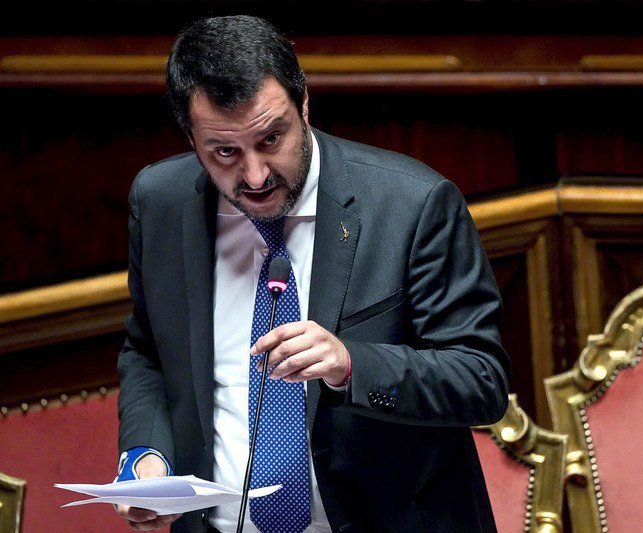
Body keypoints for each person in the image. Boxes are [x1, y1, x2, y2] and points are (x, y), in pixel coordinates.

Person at [115, 14, 510, 533]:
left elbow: (481, 380)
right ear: (192, 139)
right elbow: (147, 351)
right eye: (225, 152)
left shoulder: (411, 205)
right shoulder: (161, 202)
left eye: (272, 139)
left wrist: (352, 365)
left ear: (304, 106)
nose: (254, 176)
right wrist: (147, 454)